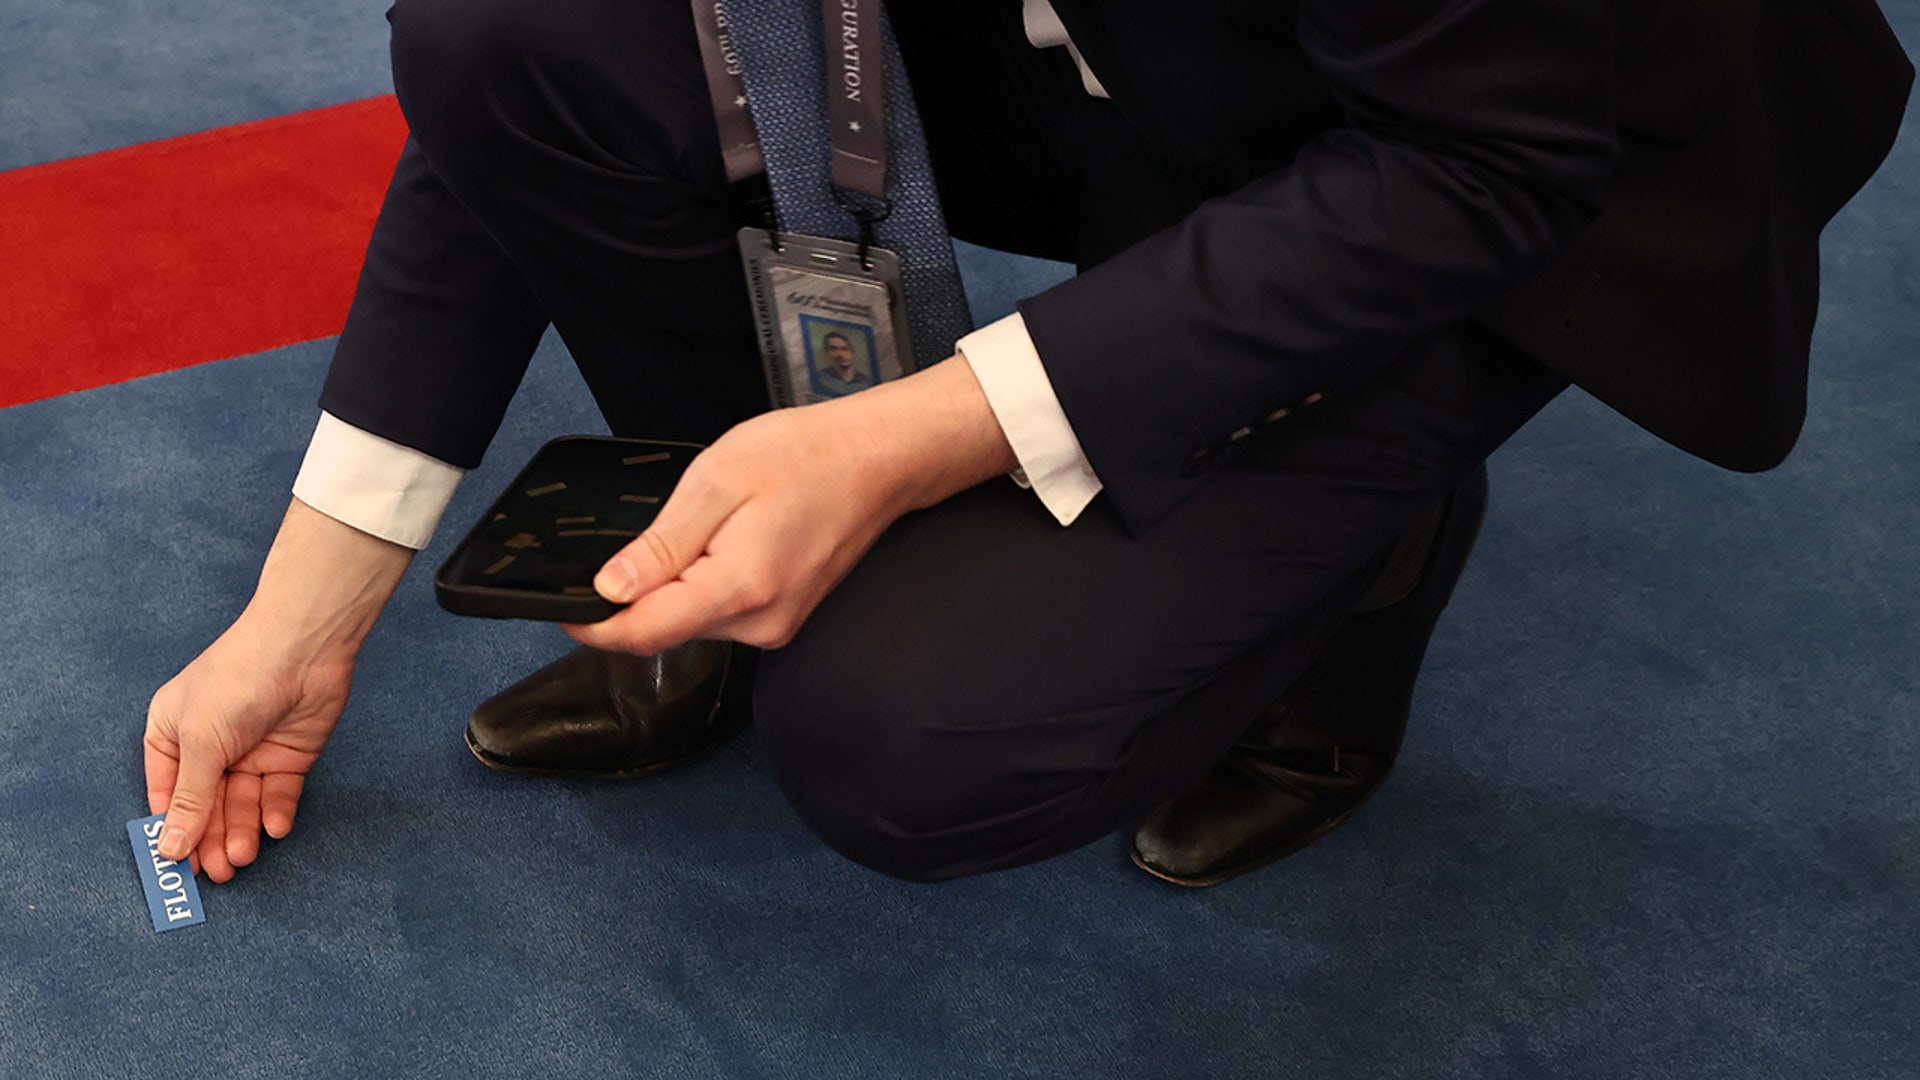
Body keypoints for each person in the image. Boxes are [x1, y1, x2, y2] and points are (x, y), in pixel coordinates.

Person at [143, 0, 1911, 887]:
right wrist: (300, 620)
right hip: (1078, 51)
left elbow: (1477, 170)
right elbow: (496, 120)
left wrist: (909, 440)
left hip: (1490, 167)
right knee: (516, 29)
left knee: (912, 738)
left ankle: (1367, 557)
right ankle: (710, 545)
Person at [813, 331, 874, 397]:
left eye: (845, 349)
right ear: (827, 353)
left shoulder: (867, 382)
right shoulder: (821, 378)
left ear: (852, 353)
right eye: (834, 349)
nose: (840, 354)